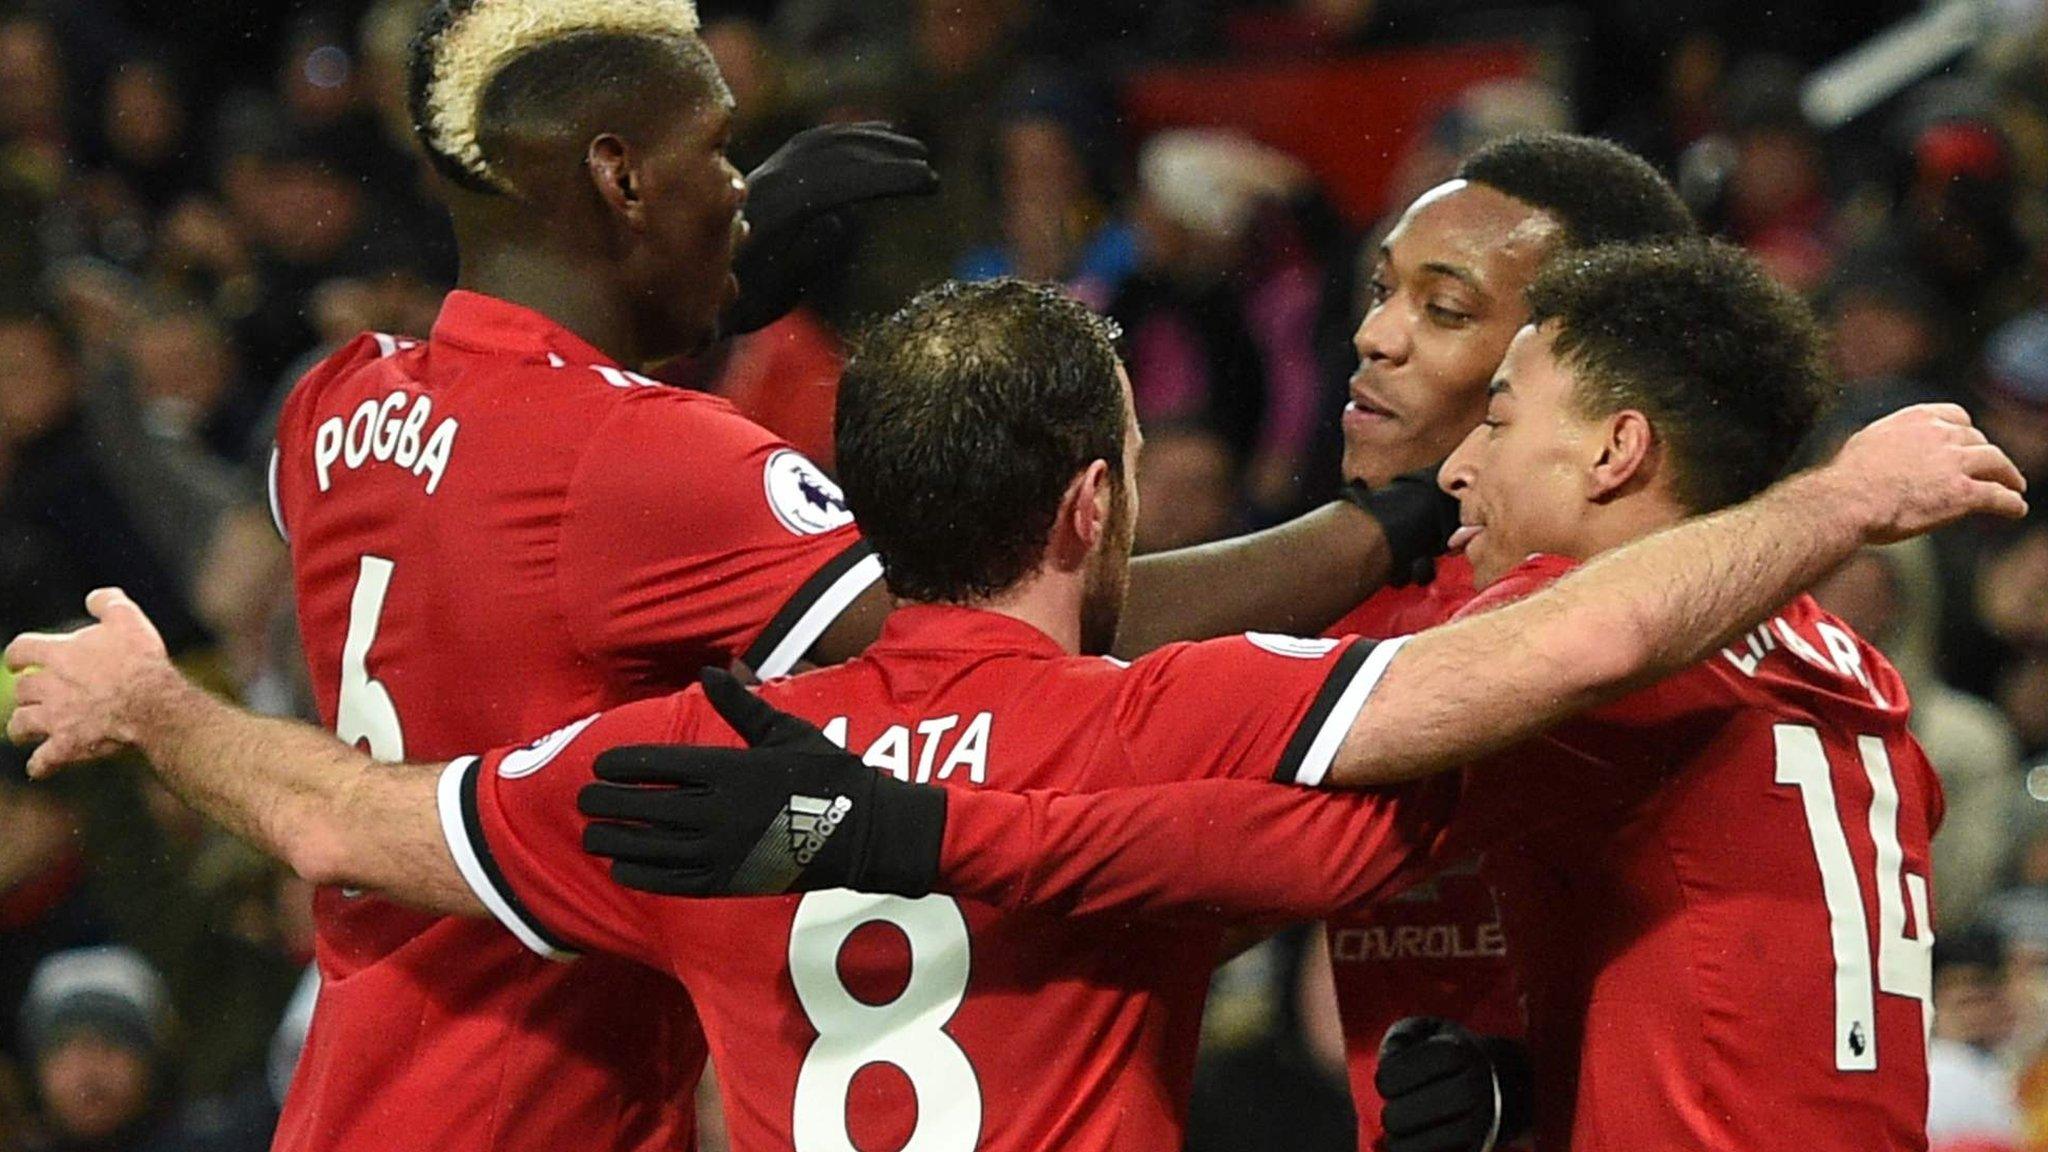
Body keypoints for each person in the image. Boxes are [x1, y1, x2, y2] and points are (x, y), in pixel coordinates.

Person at [7, 275, 2027, 1150]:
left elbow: (349, 824)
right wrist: (1832, 497)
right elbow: (1544, 664)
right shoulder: (1178, 723)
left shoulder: (676, 764)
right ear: (1091, 508)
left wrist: (158, 710)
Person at [261, 1, 1445, 1149]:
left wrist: (659, 285)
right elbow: (986, 604)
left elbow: (517, 473)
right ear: (621, 179)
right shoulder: (649, 458)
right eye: (718, 156)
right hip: (531, 1104)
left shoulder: (335, 399)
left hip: (353, 1078)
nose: (741, 193)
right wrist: (1378, 529)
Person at [628, 244, 1977, 1152]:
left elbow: (1273, 841)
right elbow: (1763, 1009)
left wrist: (909, 829)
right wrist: (1531, 1091)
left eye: (1499, 412)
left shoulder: (1580, 650)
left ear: (1619, 451)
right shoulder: (1837, 670)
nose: (1458, 467)